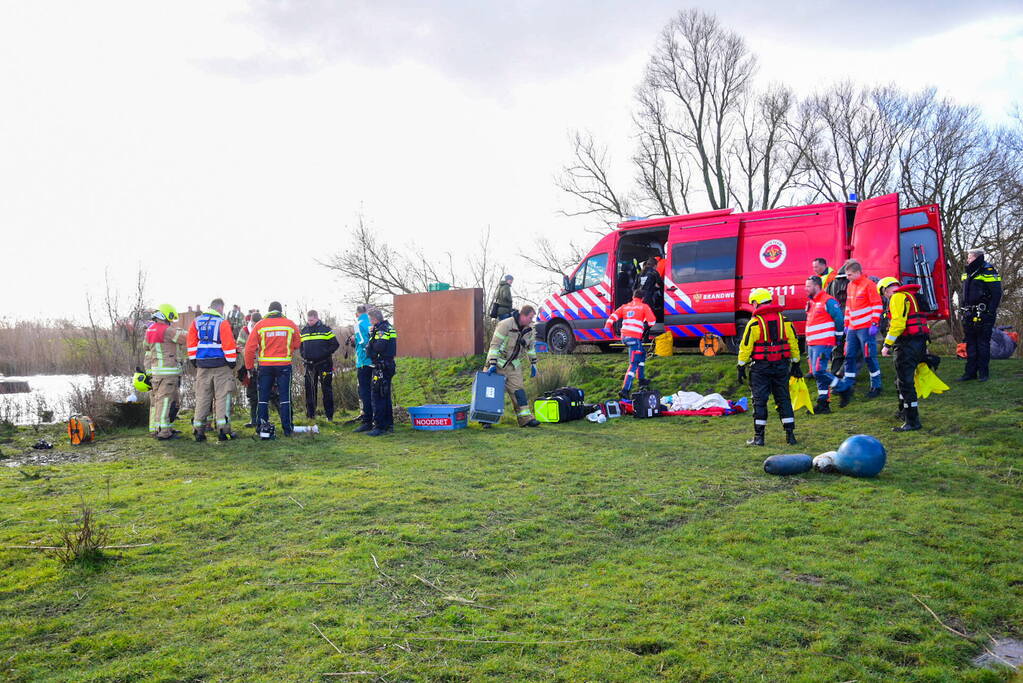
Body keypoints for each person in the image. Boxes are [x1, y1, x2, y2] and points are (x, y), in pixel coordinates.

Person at [737, 288, 801, 447]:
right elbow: (793, 342)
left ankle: (759, 438)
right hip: (781, 366)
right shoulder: (785, 320)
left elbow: (746, 346)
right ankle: (790, 436)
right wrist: (796, 362)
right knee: (784, 399)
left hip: (761, 368)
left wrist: (740, 366)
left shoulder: (754, 323)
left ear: (755, 302)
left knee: (759, 401)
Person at [877, 277, 931, 431]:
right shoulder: (912, 296)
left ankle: (912, 422)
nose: (885, 297)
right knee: (901, 380)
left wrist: (887, 344)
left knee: (906, 384)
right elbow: (922, 323)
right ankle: (903, 412)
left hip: (906, 344)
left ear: (885, 290)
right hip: (919, 343)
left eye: (883, 294)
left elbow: (898, 324)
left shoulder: (897, 297)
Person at [244, 301, 301, 437]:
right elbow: (297, 343)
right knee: (285, 398)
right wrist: (288, 351)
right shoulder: (290, 324)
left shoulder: (260, 325)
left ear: (269, 311)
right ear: (280, 311)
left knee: (262, 398)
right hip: (284, 366)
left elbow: (249, 349)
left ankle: (262, 427)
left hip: (265, 366)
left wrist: (249, 367)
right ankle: (287, 429)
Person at [832, 260, 883, 406]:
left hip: (866, 328)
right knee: (849, 356)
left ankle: (876, 386)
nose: (847, 277)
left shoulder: (869, 285)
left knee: (869, 356)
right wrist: (847, 324)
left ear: (857, 272)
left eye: (849, 274)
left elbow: (877, 304)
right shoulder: (850, 286)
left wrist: (874, 323)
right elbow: (848, 307)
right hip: (853, 328)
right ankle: (848, 384)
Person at [187, 298, 238, 442]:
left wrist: (194, 360)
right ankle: (223, 431)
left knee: (203, 397)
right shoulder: (222, 323)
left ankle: (198, 431)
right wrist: (232, 362)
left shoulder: (196, 322)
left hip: (202, 365)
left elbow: (191, 343)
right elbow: (228, 344)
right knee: (222, 397)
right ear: (220, 308)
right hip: (221, 366)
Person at [484, 305, 541, 428]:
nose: (531, 321)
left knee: (519, 392)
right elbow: (494, 345)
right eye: (530, 317)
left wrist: (534, 364)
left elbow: (530, 348)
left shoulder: (530, 329)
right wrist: (492, 364)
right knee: (491, 392)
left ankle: (526, 419)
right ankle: (486, 419)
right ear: (523, 315)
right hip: (497, 363)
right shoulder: (505, 324)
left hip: (513, 366)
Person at [958, 249, 1002, 382]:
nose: (967, 260)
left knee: (982, 344)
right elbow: (963, 293)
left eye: (969, 257)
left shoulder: (988, 270)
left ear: (976, 257)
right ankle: (970, 373)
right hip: (969, 313)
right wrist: (962, 308)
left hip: (984, 313)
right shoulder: (968, 272)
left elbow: (996, 293)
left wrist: (990, 312)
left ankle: (983, 373)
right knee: (970, 343)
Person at [144, 304, 187, 440]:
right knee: (166, 402)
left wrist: (148, 371)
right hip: (168, 373)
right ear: (166, 316)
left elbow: (147, 352)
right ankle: (164, 432)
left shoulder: (149, 331)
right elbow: (186, 338)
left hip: (156, 373)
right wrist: (180, 329)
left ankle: (158, 428)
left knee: (158, 402)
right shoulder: (167, 330)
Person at [604, 289, 656, 399]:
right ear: (642, 298)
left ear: (633, 297)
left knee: (641, 354)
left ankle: (642, 380)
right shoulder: (644, 306)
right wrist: (644, 322)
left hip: (625, 337)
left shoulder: (625, 307)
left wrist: (607, 326)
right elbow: (652, 322)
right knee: (634, 363)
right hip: (634, 337)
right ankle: (625, 390)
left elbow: (613, 316)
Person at [804, 275, 844, 414]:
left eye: (808, 286)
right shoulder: (811, 302)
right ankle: (823, 403)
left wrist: (838, 336)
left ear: (816, 286)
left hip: (823, 342)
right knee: (818, 374)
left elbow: (839, 319)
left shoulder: (828, 301)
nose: (806, 288)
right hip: (813, 343)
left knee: (819, 371)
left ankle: (843, 387)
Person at [300, 310, 341, 421]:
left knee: (326, 390)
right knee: (310, 390)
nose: (310, 322)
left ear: (317, 318)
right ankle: (311, 416)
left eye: (311, 320)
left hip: (324, 364)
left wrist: (324, 354)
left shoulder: (326, 330)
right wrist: (304, 355)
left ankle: (329, 416)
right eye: (308, 320)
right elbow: (301, 347)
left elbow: (335, 344)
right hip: (309, 365)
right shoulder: (304, 331)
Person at [365, 309, 397, 436]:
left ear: (374, 319)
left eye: (370, 320)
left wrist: (371, 341)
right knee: (385, 395)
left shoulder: (381, 329)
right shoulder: (388, 327)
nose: (370, 323)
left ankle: (379, 426)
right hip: (388, 364)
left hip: (382, 365)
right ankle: (389, 424)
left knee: (378, 395)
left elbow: (379, 347)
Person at [352, 304, 375, 432]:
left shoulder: (358, 324)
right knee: (375, 391)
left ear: (357, 313)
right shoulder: (372, 322)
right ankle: (376, 419)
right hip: (375, 361)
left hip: (364, 362)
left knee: (364, 392)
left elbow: (362, 341)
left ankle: (367, 421)